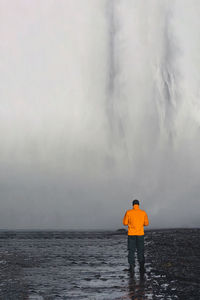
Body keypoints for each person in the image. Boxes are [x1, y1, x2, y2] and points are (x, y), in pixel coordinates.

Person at [123, 199, 149, 275]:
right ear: (138, 205)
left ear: (133, 205)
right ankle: (141, 267)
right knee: (140, 250)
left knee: (131, 251)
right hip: (140, 234)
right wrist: (140, 224)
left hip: (131, 234)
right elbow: (146, 223)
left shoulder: (128, 212)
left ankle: (131, 267)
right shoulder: (143, 213)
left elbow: (124, 223)